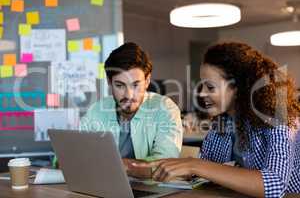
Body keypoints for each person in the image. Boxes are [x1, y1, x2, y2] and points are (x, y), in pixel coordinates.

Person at [134, 42, 300, 197]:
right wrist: (139, 167)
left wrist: (195, 165)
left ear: (238, 88)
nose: (202, 93)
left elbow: (275, 185)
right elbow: (204, 170)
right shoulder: (223, 122)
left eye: (210, 87)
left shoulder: (279, 117)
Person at [79, 42, 183, 178]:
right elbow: (76, 154)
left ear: (147, 81)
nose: (128, 95)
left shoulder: (166, 109)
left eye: (135, 85)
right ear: (109, 82)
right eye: (119, 85)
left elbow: (165, 164)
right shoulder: (97, 110)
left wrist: (123, 166)